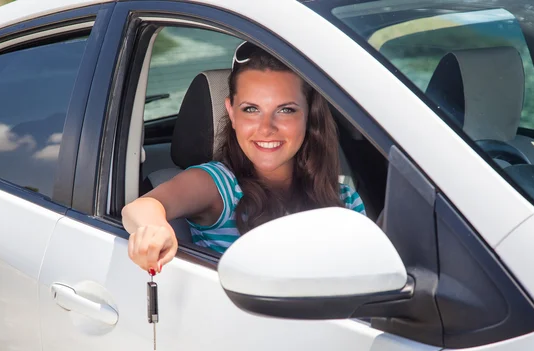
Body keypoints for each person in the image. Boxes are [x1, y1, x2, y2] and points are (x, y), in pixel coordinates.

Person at [122, 41, 366, 273]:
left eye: (285, 110)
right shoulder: (219, 185)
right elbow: (141, 207)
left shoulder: (344, 199)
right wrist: (154, 229)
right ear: (232, 112)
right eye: (251, 109)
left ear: (308, 115)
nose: (266, 127)